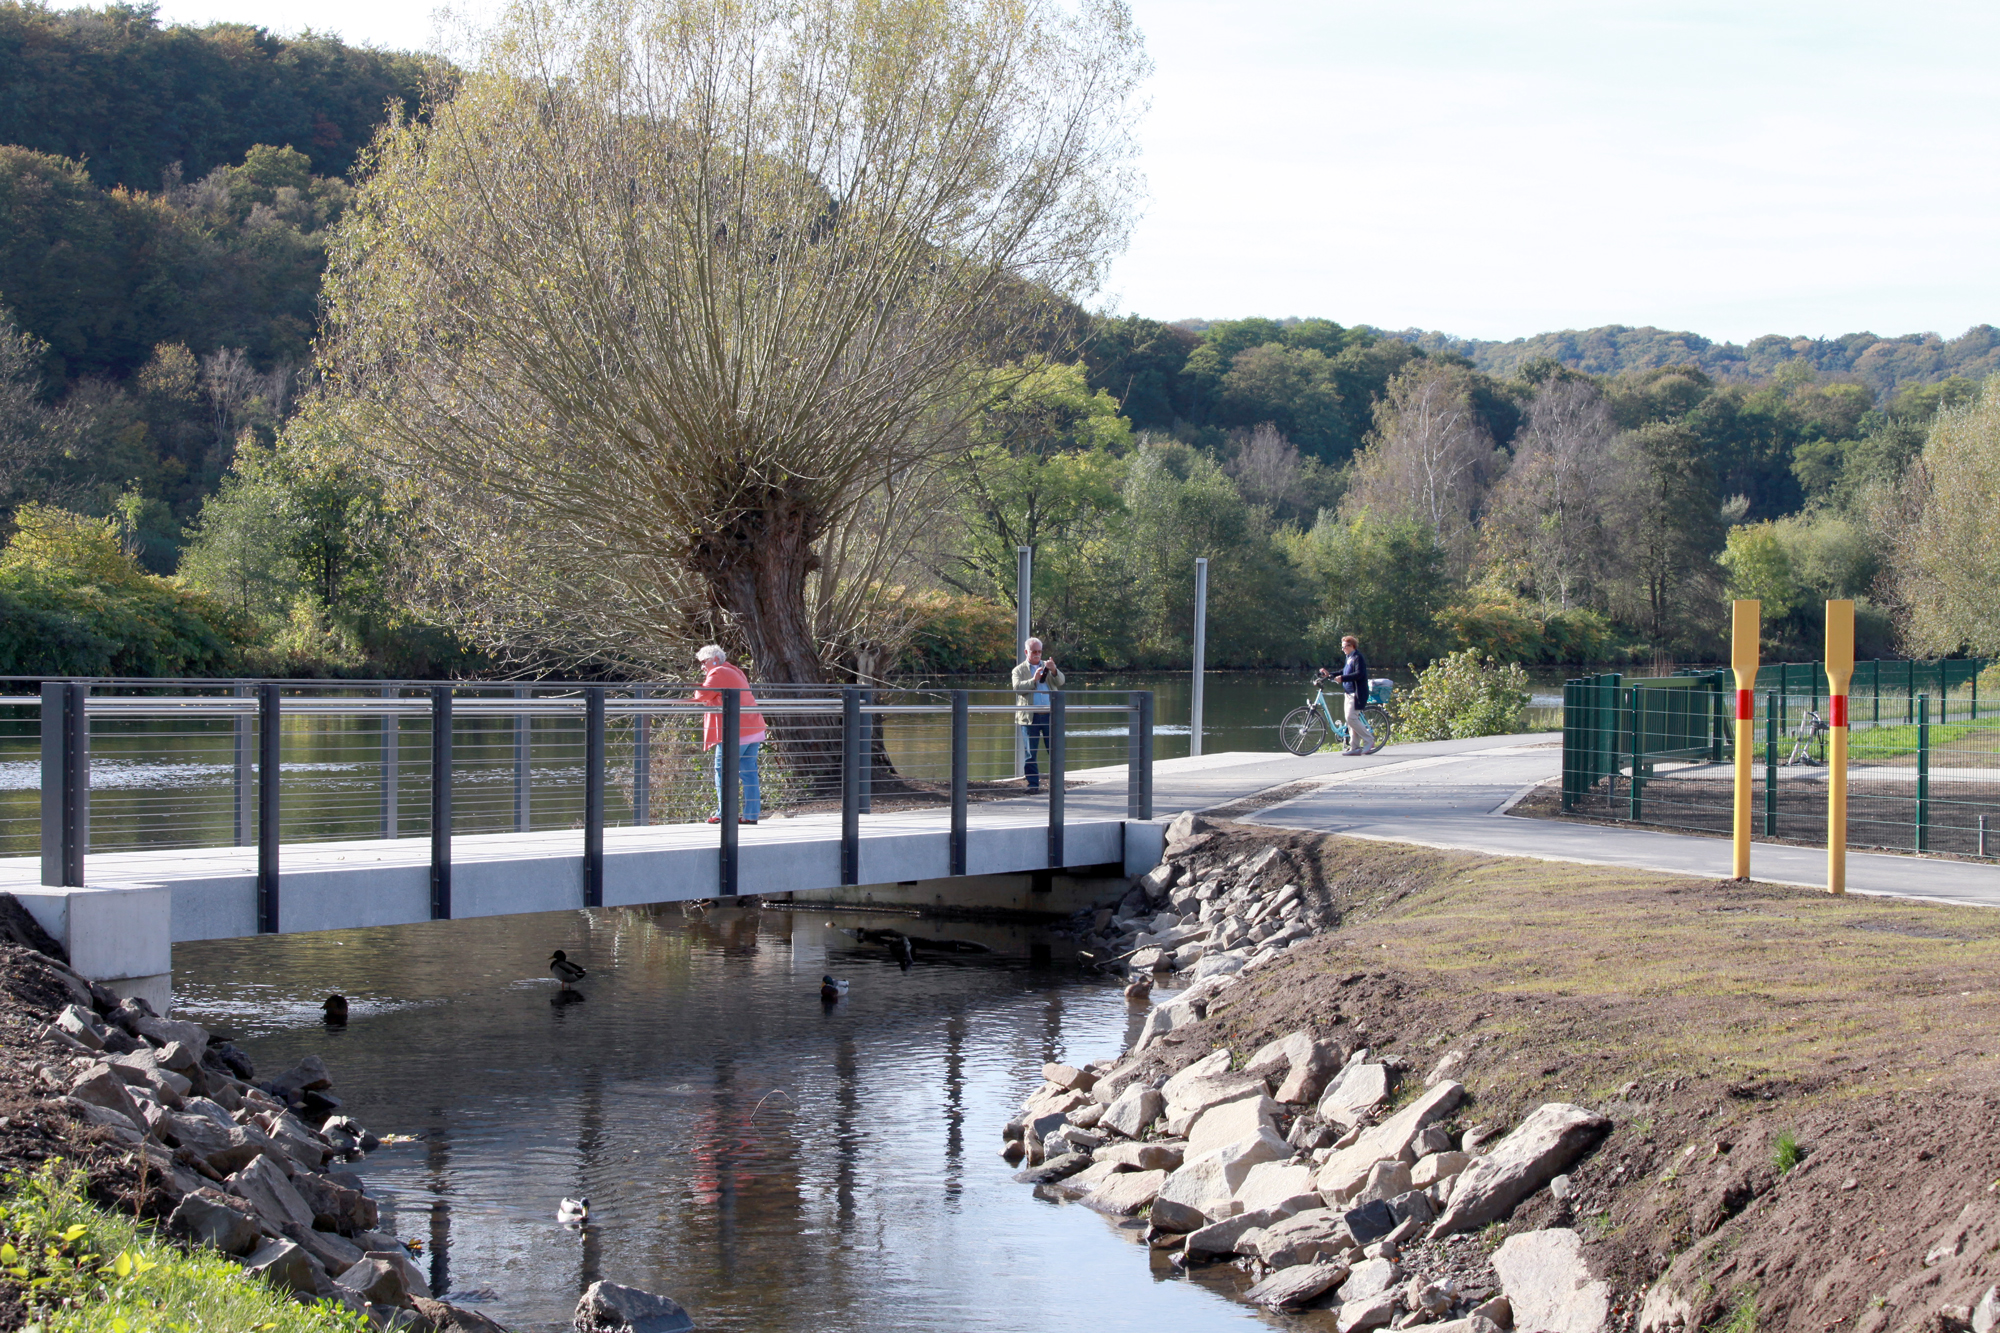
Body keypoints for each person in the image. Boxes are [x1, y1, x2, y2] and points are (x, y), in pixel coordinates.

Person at [694, 645, 766, 823]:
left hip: (737, 731)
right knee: (748, 772)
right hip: (753, 727)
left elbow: (701, 695)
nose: (702, 666)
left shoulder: (718, 672)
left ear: (715, 660)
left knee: (723, 770)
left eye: (704, 662)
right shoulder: (734, 671)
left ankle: (724, 813)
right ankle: (750, 815)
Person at [1010, 637, 1065, 793]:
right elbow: (1017, 688)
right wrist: (1033, 680)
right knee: (1030, 753)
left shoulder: (1047, 666)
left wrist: (1054, 670)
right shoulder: (1019, 670)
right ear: (1026, 652)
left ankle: (1058, 785)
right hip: (1029, 717)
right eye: (1034, 651)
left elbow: (1060, 682)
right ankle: (1033, 785)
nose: (1037, 654)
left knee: (1055, 751)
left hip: (1050, 716)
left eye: (1039, 651)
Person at [1318, 633, 1373, 755]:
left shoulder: (1358, 657)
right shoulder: (1349, 657)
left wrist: (1342, 678)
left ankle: (1369, 739)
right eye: (1342, 647)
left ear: (1352, 646)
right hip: (1348, 693)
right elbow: (1344, 671)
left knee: (1351, 718)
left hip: (1357, 693)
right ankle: (1355, 748)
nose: (1343, 649)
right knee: (1350, 721)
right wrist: (1330, 675)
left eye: (1344, 647)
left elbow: (1359, 674)